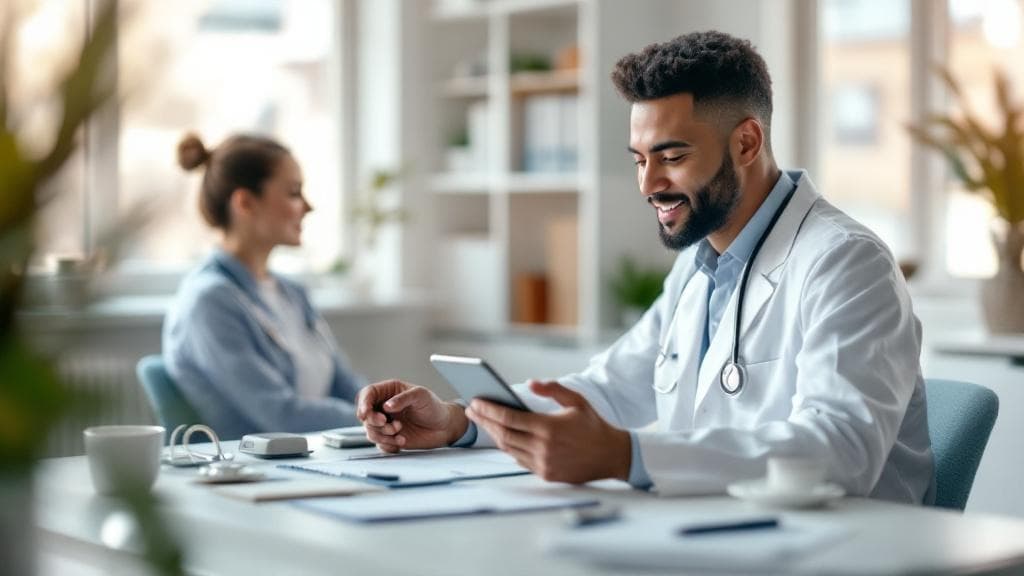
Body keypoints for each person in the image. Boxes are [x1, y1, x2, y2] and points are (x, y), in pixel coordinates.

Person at [357, 31, 934, 503]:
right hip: (722, 542)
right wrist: (461, 422)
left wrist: (626, 455)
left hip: (845, 552)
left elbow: (842, 450)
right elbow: (608, 390)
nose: (649, 184)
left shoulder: (845, 263)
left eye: (673, 156)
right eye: (639, 159)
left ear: (748, 142)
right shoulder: (700, 264)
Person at [163, 133, 365, 440]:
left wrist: (388, 407)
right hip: (254, 477)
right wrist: (378, 422)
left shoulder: (292, 293)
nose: (307, 207)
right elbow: (279, 415)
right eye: (294, 193)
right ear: (245, 202)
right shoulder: (210, 301)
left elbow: (346, 387)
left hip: (317, 463)